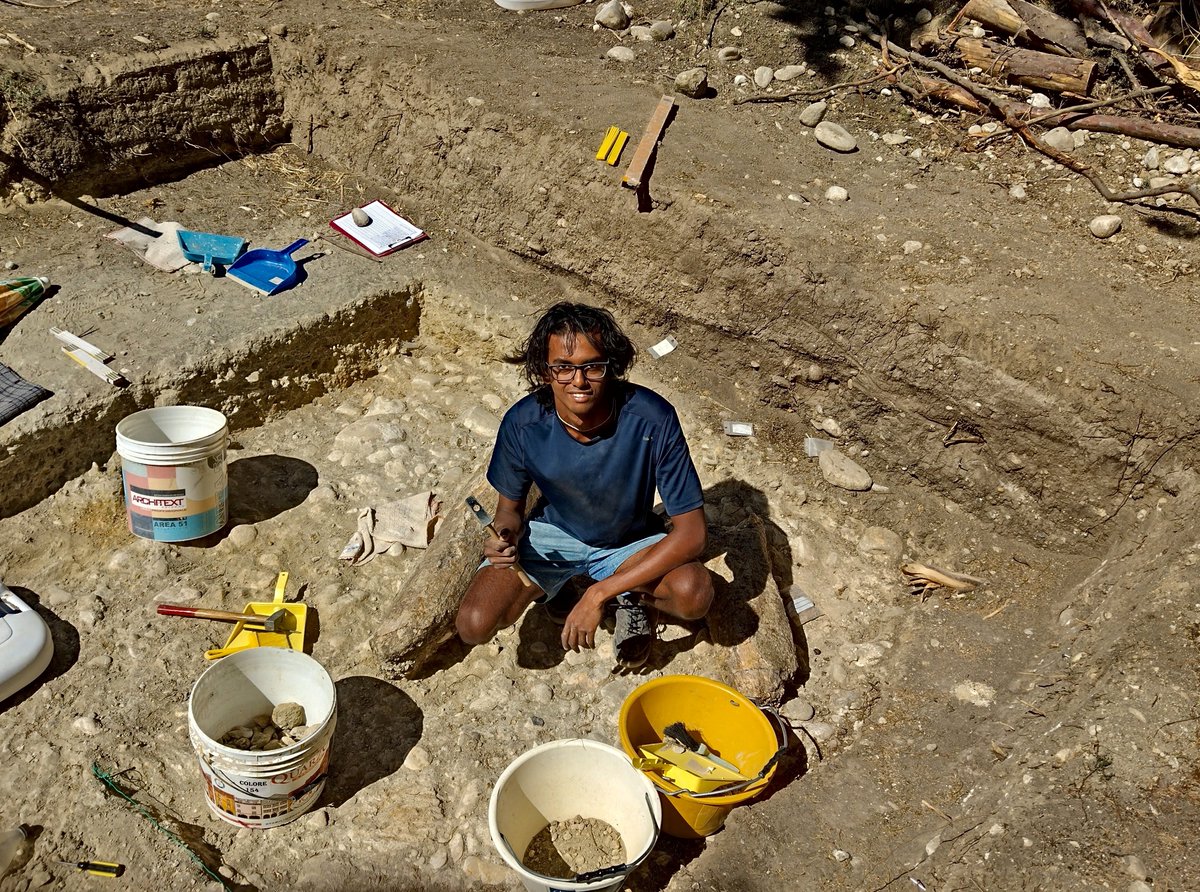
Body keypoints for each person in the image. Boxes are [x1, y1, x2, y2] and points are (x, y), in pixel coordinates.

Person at [455, 302, 713, 669]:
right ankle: (556, 587)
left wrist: (599, 593)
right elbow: (509, 511)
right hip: (556, 535)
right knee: (474, 625)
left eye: (592, 366)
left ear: (612, 368)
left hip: (629, 541)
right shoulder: (523, 424)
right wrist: (505, 538)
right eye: (563, 368)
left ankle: (627, 595)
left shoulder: (652, 418)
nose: (578, 381)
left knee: (693, 593)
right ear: (544, 372)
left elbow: (692, 534)